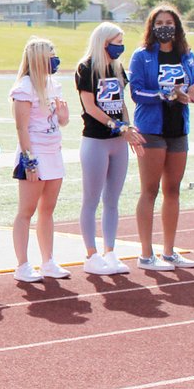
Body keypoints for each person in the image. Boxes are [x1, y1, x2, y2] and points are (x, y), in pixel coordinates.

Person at [129, 5, 194, 271]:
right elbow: (137, 93)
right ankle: (145, 254)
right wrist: (167, 95)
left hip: (178, 129)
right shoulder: (142, 56)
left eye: (170, 22)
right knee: (150, 190)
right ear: (152, 26)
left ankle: (170, 251)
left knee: (172, 189)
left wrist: (193, 93)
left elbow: (192, 83)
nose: (165, 26)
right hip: (151, 128)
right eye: (160, 22)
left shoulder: (186, 54)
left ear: (177, 27)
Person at [77, 22, 146, 276]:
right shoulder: (86, 68)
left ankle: (110, 250)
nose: (120, 46)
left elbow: (122, 103)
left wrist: (128, 128)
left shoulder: (117, 68)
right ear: (103, 41)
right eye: (116, 41)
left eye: (122, 41)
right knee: (91, 199)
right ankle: (91, 254)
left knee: (112, 200)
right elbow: (90, 106)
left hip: (118, 142)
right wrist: (115, 126)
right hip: (96, 141)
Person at [9, 37, 72, 283]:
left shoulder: (53, 84)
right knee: (26, 210)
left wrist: (64, 117)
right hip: (34, 154)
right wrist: (30, 160)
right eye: (50, 54)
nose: (54, 59)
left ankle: (48, 261)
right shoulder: (24, 87)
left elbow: (59, 120)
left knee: (48, 210)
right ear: (37, 58)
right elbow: (21, 127)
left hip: (53, 152)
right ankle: (22, 264)